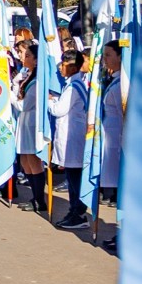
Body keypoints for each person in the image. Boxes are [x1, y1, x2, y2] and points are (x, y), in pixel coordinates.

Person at [49, 48, 92, 229]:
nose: (60, 68)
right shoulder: (73, 84)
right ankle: (74, 210)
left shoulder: (74, 86)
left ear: (73, 67)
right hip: (70, 136)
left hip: (72, 138)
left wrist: (50, 101)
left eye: (64, 64)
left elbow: (60, 110)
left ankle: (78, 213)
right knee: (72, 175)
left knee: (74, 178)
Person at [11, 41, 47, 211]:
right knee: (25, 162)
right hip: (24, 123)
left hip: (32, 123)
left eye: (28, 56)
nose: (24, 59)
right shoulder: (28, 77)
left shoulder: (38, 82)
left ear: (36, 60)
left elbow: (24, 105)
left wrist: (9, 95)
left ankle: (40, 200)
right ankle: (35, 197)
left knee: (33, 161)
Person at [99, 40, 125, 206]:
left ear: (120, 57)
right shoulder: (111, 79)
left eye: (108, 55)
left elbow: (123, 114)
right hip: (109, 132)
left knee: (117, 173)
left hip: (116, 134)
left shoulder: (121, 84)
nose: (104, 59)